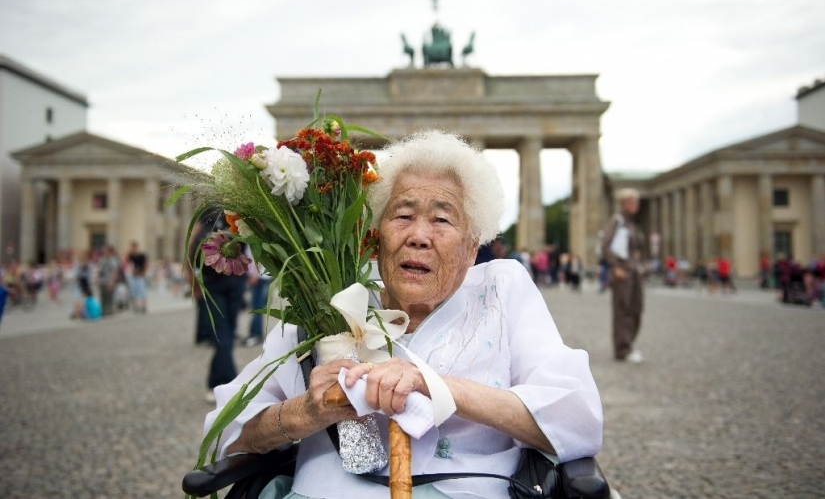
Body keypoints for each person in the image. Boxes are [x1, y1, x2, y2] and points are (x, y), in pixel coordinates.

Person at [204, 131, 603, 499]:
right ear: (374, 237)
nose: (418, 235)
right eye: (403, 215)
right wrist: (303, 412)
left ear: (471, 246)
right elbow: (225, 431)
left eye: (442, 219)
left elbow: (576, 417)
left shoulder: (502, 289)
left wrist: (435, 386)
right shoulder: (328, 299)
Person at [192, 208, 250, 402]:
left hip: (235, 279)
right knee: (222, 335)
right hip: (214, 282)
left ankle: (217, 382)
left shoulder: (238, 204)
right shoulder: (209, 208)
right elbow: (194, 240)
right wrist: (192, 278)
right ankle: (228, 383)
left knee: (229, 332)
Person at [601, 188, 647, 363]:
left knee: (636, 309)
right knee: (623, 310)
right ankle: (622, 349)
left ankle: (628, 344)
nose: (636, 205)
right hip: (622, 272)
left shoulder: (632, 223)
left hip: (634, 272)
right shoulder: (617, 220)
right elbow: (605, 245)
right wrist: (615, 266)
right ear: (625, 203)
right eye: (633, 201)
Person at [97, 245, 121, 316]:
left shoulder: (113, 260)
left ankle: (109, 311)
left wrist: (112, 282)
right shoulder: (102, 259)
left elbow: (115, 271)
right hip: (102, 281)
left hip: (109, 281)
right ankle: (103, 311)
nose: (104, 252)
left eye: (105, 250)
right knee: (102, 297)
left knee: (109, 298)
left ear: (110, 251)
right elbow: (99, 270)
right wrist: (97, 278)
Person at [127, 241, 149, 313]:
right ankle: (136, 306)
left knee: (142, 291)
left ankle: (143, 306)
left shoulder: (142, 255)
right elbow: (127, 263)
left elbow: (146, 264)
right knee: (134, 292)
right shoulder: (131, 256)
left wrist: (143, 272)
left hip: (140, 276)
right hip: (134, 275)